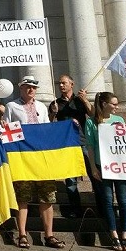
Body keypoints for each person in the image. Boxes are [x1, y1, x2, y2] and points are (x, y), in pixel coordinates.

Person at [4, 75, 64, 249]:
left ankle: (49, 235)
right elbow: (7, 130)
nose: (31, 90)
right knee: (22, 196)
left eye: (34, 87)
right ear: (21, 88)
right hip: (22, 157)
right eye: (28, 86)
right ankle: (22, 234)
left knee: (47, 196)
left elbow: (46, 128)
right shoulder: (11, 106)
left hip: (41, 156)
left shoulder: (41, 107)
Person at [86, 92, 126, 251]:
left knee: (124, 201)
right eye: (114, 104)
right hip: (102, 166)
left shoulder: (119, 120)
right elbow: (90, 147)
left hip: (120, 167)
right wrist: (93, 168)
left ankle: (125, 236)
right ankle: (114, 236)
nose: (116, 107)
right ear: (104, 104)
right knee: (107, 201)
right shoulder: (91, 122)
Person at [48, 74, 94, 218]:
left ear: (71, 84)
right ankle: (75, 209)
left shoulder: (79, 100)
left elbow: (93, 114)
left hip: (83, 141)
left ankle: (101, 206)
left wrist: (85, 99)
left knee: (94, 174)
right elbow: (49, 123)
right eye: (59, 83)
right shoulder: (55, 103)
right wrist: (53, 113)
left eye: (64, 83)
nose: (61, 85)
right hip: (67, 144)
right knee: (70, 180)